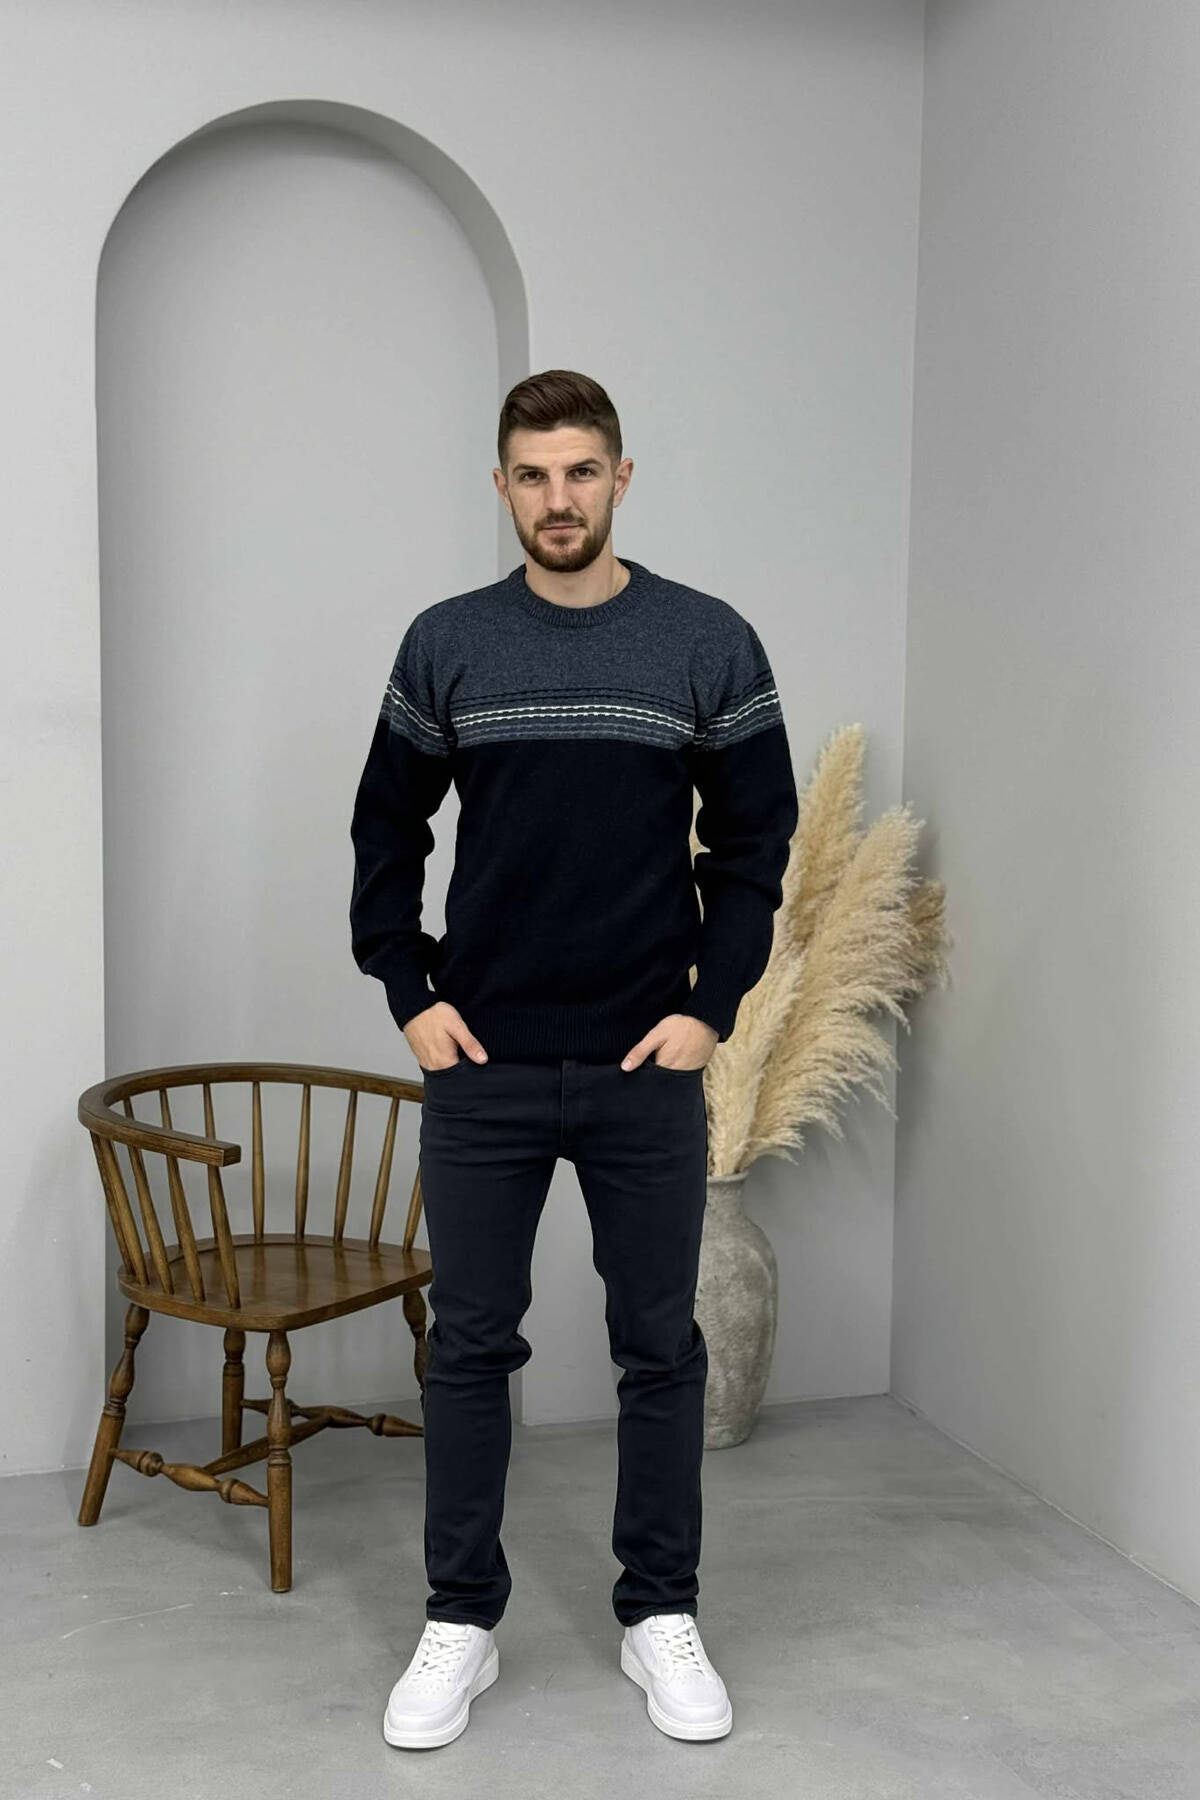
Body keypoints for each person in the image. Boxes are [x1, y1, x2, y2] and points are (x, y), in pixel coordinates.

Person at [349, 369, 798, 1750]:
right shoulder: (449, 643)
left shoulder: (706, 642)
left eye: (582, 472)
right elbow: (385, 832)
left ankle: (660, 1612)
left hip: (644, 1063)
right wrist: (408, 990)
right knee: (470, 1347)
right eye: (534, 476)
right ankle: (460, 1622)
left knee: (658, 1346)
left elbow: (756, 846)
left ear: (621, 478)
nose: (559, 499)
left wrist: (711, 1006)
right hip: (482, 1060)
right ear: (503, 487)